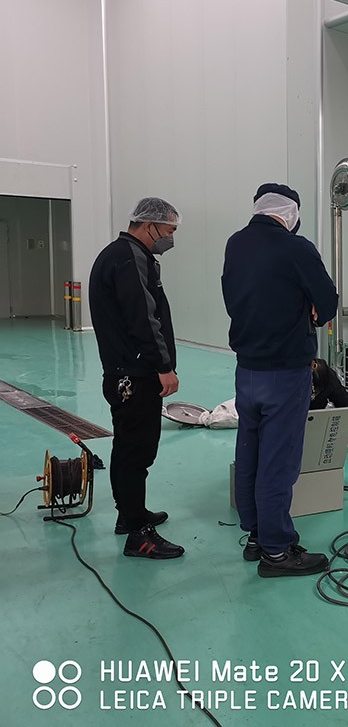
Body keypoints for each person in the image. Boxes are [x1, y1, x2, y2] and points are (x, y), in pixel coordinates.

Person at [222, 183, 338, 577]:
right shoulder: (296, 248)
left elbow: (233, 298)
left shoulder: (236, 244)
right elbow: (328, 302)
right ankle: (276, 552)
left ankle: (257, 535)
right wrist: (311, 308)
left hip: (246, 369)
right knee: (279, 460)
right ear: (291, 213)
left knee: (250, 451)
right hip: (285, 371)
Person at [89, 197, 184, 560]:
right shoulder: (131, 259)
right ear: (149, 225)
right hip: (136, 373)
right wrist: (164, 365)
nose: (170, 238)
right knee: (136, 450)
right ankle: (137, 534)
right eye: (169, 230)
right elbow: (144, 318)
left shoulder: (120, 255)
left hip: (124, 370)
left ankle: (131, 515)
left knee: (130, 447)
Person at [310, 358, 348, 445]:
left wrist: (346, 427)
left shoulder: (326, 374)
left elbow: (346, 404)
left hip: (314, 417)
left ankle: (336, 453)